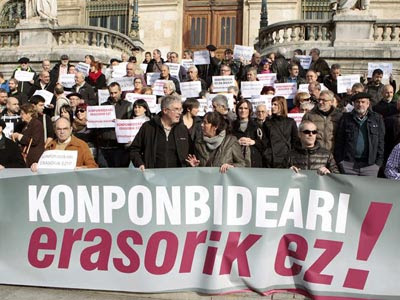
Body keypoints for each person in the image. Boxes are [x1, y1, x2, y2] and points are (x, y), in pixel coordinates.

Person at [130, 95, 192, 170]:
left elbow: (190, 153)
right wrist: (140, 164)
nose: (179, 113)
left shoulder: (183, 129)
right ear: (165, 110)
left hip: (178, 178)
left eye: (180, 109)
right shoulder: (148, 127)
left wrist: (190, 163)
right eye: (176, 109)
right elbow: (134, 150)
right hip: (153, 177)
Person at [334, 92, 385, 176]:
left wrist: (378, 163)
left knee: (368, 189)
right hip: (348, 164)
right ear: (353, 104)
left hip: (370, 166)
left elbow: (381, 142)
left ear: (368, 104)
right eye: (357, 102)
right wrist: (341, 161)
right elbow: (339, 140)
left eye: (363, 102)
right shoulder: (345, 118)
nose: (360, 104)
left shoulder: (377, 118)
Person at [31, 117, 98, 171]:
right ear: (55, 130)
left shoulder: (81, 145)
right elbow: (43, 166)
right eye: (59, 129)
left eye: (65, 128)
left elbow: (93, 166)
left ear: (71, 129)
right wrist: (36, 166)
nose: (62, 132)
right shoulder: (50, 145)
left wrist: (82, 169)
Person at [97, 82, 132, 167]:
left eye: (115, 92)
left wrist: (120, 123)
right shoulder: (103, 106)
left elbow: (130, 124)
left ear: (120, 91)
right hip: (104, 145)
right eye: (111, 93)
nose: (113, 95)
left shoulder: (127, 105)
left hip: (119, 147)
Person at [263, 96, 300, 168]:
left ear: (282, 105)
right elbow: (265, 141)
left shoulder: (290, 122)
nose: (272, 107)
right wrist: (267, 154)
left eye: (275, 104)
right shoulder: (267, 123)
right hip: (271, 160)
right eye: (272, 104)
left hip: (286, 159)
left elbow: (295, 141)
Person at [231, 99, 264, 167]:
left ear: (250, 110)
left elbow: (264, 144)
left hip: (254, 163)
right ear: (237, 110)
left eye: (246, 108)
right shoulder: (231, 126)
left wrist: (254, 142)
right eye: (240, 108)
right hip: (237, 163)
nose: (243, 110)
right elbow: (227, 144)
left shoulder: (257, 126)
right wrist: (236, 143)